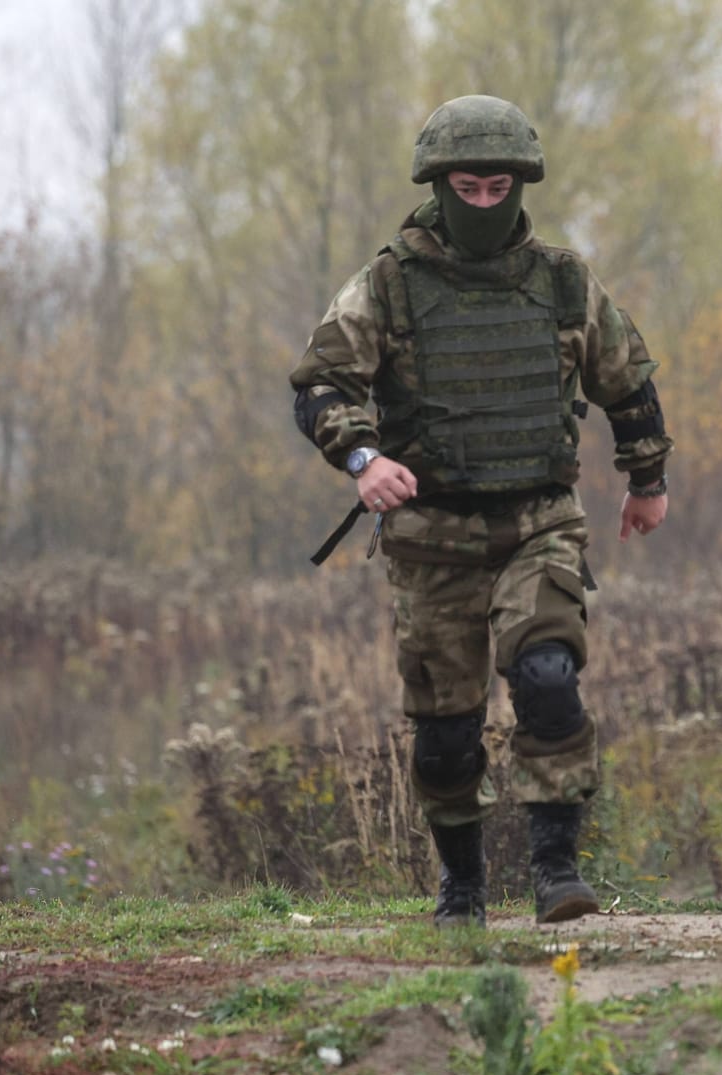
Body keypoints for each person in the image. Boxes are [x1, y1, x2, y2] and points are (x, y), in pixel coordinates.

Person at [288, 95, 673, 926]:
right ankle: (461, 885)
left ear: (522, 184)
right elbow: (320, 385)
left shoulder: (565, 282)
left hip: (540, 521)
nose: (486, 203)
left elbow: (628, 380)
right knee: (446, 730)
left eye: (501, 188)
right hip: (432, 537)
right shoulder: (386, 286)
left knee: (547, 676)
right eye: (471, 187)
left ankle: (555, 871)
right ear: (440, 184)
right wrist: (363, 457)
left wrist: (647, 479)